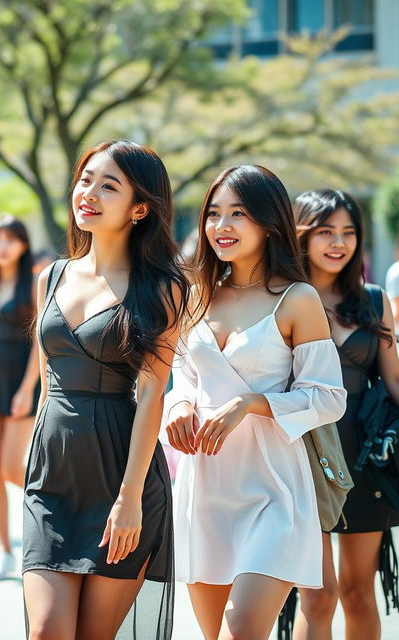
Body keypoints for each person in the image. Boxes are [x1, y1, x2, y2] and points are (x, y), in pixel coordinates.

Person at [164, 166, 347, 640]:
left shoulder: (297, 298)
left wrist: (252, 402)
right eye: (213, 214)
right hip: (206, 486)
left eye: (238, 214)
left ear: (268, 222)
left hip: (275, 489)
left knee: (241, 629)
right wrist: (179, 407)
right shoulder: (196, 294)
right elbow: (183, 379)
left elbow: (328, 398)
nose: (221, 226)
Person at [22, 139, 189, 640]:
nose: (88, 193)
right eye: (85, 179)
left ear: (140, 209)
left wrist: (130, 498)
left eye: (108, 185)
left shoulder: (162, 286)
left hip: (122, 477)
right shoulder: (49, 278)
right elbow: (46, 386)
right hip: (52, 480)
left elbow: (152, 394)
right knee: (46, 630)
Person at [293, 189, 399, 640]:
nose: (338, 242)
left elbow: (395, 383)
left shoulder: (374, 301)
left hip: (362, 457)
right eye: (325, 231)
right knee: (316, 595)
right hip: (302, 451)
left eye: (349, 232)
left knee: (358, 593)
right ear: (301, 235)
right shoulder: (281, 298)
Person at [0, 214, 39, 580]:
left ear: (22, 244)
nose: (2, 246)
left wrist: (26, 387)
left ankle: (54, 508)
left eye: (10, 239)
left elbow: (40, 341)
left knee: (11, 467)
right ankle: (4, 551)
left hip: (20, 379)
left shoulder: (33, 283)